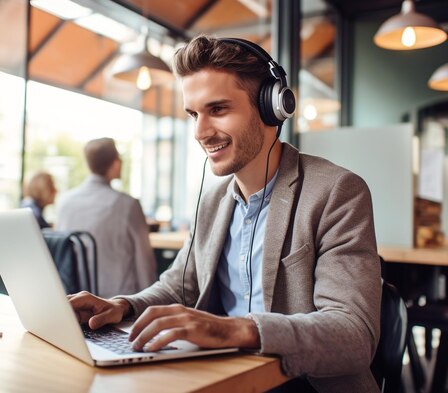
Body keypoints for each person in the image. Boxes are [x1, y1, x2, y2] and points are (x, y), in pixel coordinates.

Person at [68, 36, 381, 392]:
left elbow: (354, 335)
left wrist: (232, 329)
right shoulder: (213, 200)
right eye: (193, 114)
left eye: (217, 110)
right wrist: (121, 307)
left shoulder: (336, 192)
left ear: (270, 108)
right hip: (223, 378)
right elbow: (180, 285)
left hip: (303, 383)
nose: (200, 132)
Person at [56, 138, 157, 298]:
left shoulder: (63, 202)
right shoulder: (128, 205)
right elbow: (144, 263)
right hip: (118, 303)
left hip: (74, 299)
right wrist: (150, 301)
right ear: (116, 164)